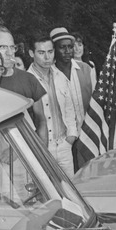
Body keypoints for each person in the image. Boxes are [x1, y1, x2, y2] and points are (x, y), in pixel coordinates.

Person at [26, 32, 79, 178]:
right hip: (42, 147)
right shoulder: (26, 80)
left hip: (64, 145)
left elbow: (69, 108)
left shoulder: (60, 76)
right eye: (41, 52)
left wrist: (72, 135)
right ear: (32, 53)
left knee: (71, 191)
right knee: (46, 192)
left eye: (50, 52)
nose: (47, 57)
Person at [0, 25, 47, 143]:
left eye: (12, 47)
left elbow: (41, 121)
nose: (10, 53)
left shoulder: (29, 79)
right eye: (3, 47)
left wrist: (42, 153)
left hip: (27, 153)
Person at [51, 27, 97, 170]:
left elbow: (95, 100)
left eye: (70, 47)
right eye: (62, 47)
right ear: (54, 50)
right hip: (64, 139)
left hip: (87, 134)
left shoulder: (86, 69)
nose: (68, 51)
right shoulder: (50, 74)